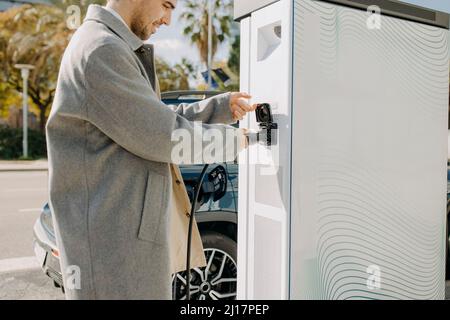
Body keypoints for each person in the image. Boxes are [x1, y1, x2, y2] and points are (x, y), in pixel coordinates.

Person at [46, 0, 255, 299]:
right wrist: (238, 141)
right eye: (166, 5)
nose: (168, 20)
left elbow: (151, 118)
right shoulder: (100, 49)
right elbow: (164, 136)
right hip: (112, 255)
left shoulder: (110, 46)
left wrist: (219, 108)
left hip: (120, 244)